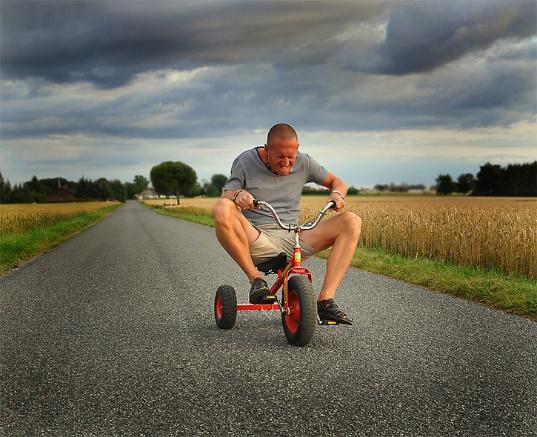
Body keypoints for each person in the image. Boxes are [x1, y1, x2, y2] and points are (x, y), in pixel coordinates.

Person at [212, 123, 361, 324]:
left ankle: (325, 300)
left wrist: (337, 193)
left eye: (290, 157)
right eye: (280, 157)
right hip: (259, 237)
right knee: (222, 207)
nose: (286, 162)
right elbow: (228, 193)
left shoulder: (304, 162)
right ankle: (256, 280)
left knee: (351, 221)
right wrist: (238, 194)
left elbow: (338, 182)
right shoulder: (246, 161)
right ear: (267, 150)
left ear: (297, 149)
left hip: (295, 237)